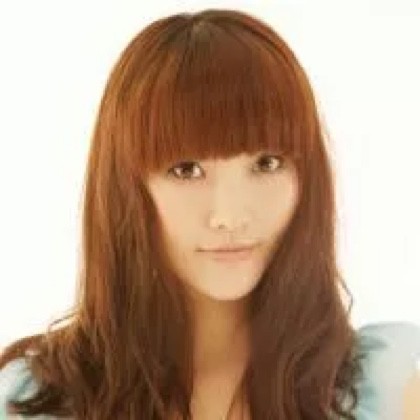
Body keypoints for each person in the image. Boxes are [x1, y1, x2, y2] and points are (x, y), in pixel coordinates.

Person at [1, 8, 419, 420]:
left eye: (267, 164)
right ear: (126, 188)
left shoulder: (395, 388)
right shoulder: (35, 402)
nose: (230, 216)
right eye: (186, 170)